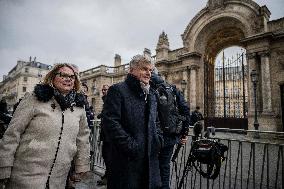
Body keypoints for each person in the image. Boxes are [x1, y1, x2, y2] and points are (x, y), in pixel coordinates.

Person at [0, 63, 90, 189]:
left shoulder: (79, 107)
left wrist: (82, 165)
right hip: (25, 176)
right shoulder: (33, 99)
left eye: (72, 76)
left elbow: (83, 138)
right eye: (63, 75)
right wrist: (4, 167)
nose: (68, 79)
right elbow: (12, 134)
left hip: (59, 179)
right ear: (52, 77)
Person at [102, 54, 163, 189]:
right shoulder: (117, 90)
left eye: (150, 70)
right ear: (131, 70)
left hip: (149, 160)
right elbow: (110, 123)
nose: (148, 73)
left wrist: (157, 140)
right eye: (144, 69)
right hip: (126, 160)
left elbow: (156, 121)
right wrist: (132, 146)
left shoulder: (152, 94)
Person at [150, 71, 190, 189]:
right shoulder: (172, 88)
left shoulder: (147, 86)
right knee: (165, 166)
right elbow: (185, 110)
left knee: (151, 165)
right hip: (170, 135)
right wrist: (184, 134)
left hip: (152, 135)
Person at [97, 84, 110, 186]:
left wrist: (101, 115)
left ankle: (108, 177)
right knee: (105, 156)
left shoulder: (111, 100)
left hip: (109, 135)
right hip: (105, 133)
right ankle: (106, 175)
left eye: (106, 89)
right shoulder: (106, 100)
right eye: (103, 89)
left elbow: (109, 113)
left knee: (108, 156)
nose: (104, 91)